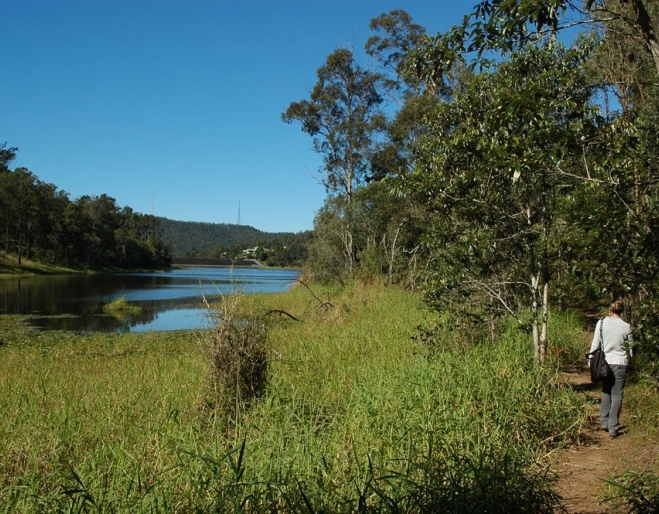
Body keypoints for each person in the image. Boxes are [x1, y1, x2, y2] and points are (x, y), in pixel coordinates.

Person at [589, 299, 633, 438]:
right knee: (617, 394)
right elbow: (630, 349)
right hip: (621, 363)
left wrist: (591, 360)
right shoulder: (627, 327)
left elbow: (596, 344)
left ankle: (604, 421)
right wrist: (631, 362)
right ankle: (613, 426)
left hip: (605, 363)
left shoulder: (602, 323)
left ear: (610, 309)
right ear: (622, 311)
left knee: (606, 390)